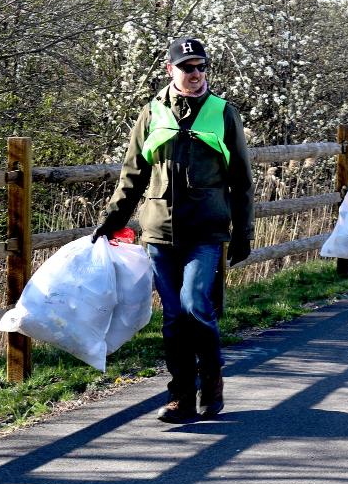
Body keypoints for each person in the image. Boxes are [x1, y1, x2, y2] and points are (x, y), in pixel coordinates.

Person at [93, 37, 255, 423]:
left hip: (206, 230)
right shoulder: (151, 114)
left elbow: (241, 180)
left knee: (195, 306)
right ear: (171, 70)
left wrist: (244, 232)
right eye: (187, 67)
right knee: (172, 317)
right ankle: (181, 395)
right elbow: (132, 175)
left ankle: (211, 385)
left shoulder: (222, 112)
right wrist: (110, 222)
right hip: (160, 232)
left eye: (201, 67)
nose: (195, 74)